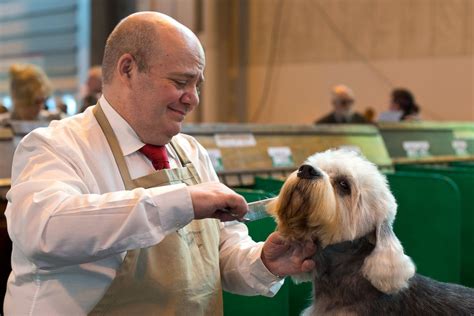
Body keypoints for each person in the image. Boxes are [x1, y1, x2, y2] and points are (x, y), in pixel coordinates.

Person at [4, 12, 316, 315]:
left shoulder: (191, 152)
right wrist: (181, 203)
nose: (193, 99)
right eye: (181, 81)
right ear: (127, 69)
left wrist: (264, 261)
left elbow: (221, 256)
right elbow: (45, 229)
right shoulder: (56, 146)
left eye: (197, 85)